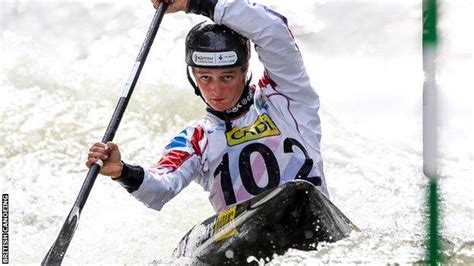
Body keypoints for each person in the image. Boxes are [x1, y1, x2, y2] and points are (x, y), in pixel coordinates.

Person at [86, 0, 329, 213]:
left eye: (227, 77)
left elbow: (273, 30)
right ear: (192, 76)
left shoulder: (289, 98)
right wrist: (122, 171)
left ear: (245, 71)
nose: (216, 90)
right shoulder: (195, 140)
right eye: (205, 77)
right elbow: (160, 188)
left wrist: (195, 2)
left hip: (312, 220)